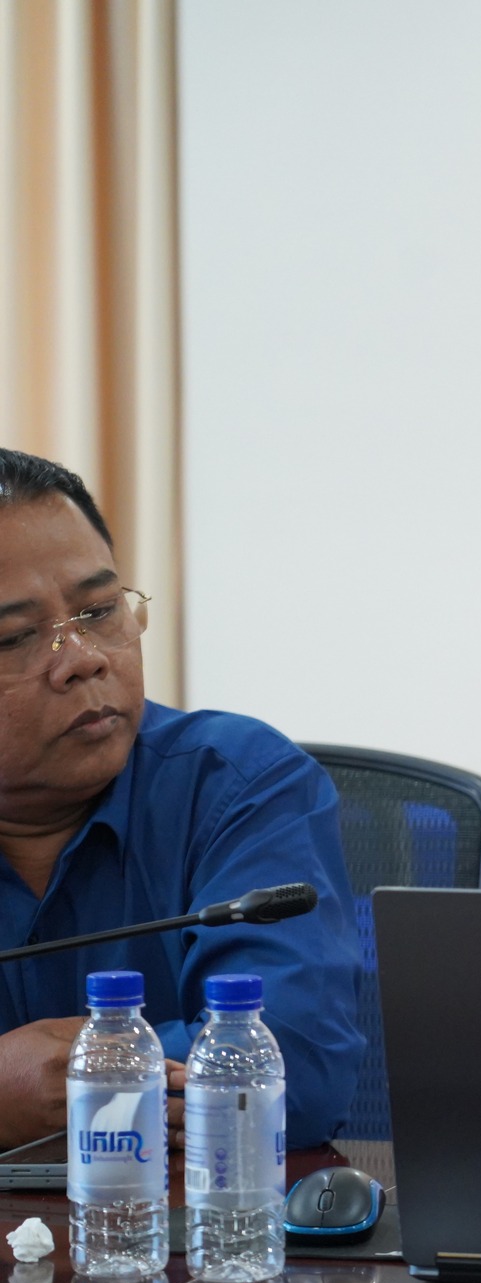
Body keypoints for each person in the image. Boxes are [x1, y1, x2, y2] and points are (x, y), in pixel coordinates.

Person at [0, 448, 364, 1150]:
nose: (83, 658)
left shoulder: (238, 784)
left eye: (99, 610)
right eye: (14, 637)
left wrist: (84, 1078)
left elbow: (288, 1070)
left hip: (193, 1213)